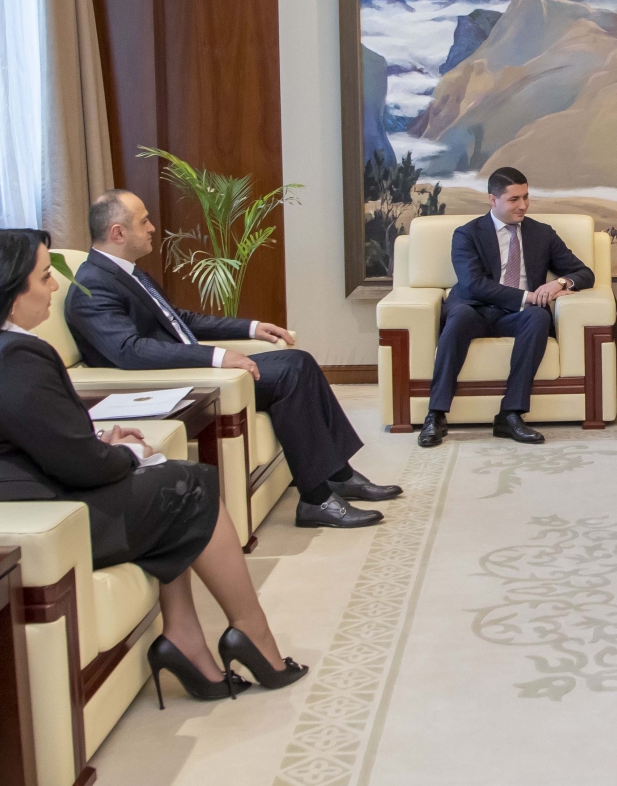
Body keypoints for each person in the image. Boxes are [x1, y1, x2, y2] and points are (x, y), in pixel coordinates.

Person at [0, 229, 309, 704]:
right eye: (44, 277)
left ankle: (186, 639)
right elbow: (83, 468)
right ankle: (251, 632)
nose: (54, 287)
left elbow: (14, 434)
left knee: (164, 484)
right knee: (190, 485)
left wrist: (98, 442)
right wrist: (124, 453)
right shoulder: (14, 355)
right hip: (15, 521)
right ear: (9, 292)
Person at [66, 190, 398, 531]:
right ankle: (316, 500)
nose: (152, 228)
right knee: (290, 373)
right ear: (118, 232)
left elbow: (179, 320)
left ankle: (338, 475)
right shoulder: (92, 286)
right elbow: (130, 350)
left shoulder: (128, 274)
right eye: (144, 221)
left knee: (300, 362)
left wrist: (251, 327)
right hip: (169, 385)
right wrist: (217, 357)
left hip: (190, 372)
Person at [416, 167, 595, 448]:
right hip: (474, 309)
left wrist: (559, 283)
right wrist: (528, 296)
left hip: (518, 316)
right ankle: (435, 414)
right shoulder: (467, 234)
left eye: (526, 197)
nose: (523, 205)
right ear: (493, 200)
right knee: (458, 317)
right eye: (514, 199)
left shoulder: (541, 233)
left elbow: (584, 273)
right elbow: (473, 284)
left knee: (538, 318)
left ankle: (510, 414)